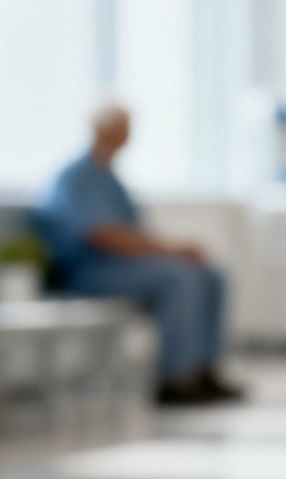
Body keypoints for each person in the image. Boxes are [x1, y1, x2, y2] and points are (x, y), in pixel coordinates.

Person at [41, 102, 242, 406]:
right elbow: (106, 236)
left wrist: (173, 252)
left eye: (127, 127)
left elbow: (134, 235)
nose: (125, 134)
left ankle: (203, 370)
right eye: (120, 126)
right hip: (88, 272)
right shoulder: (79, 176)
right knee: (179, 278)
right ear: (100, 129)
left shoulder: (109, 178)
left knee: (210, 275)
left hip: (121, 268)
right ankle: (174, 377)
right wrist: (172, 251)